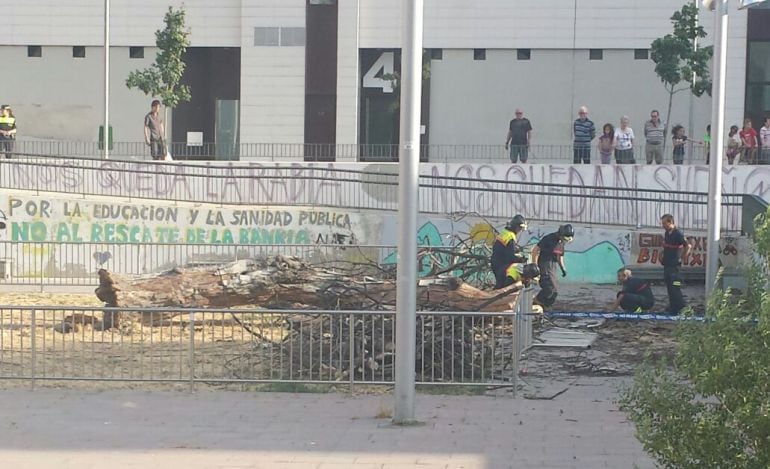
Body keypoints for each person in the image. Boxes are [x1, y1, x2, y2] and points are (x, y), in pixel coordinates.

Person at [530, 224, 573, 308]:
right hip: (544, 264)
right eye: (564, 239)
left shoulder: (561, 242)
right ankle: (533, 304)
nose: (565, 241)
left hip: (553, 266)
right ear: (560, 234)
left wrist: (563, 268)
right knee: (549, 289)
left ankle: (544, 307)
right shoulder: (549, 239)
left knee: (554, 293)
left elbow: (559, 256)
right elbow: (535, 250)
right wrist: (535, 266)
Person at [660, 214, 691, 314]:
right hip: (667, 265)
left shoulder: (678, 233)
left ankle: (682, 308)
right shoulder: (667, 233)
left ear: (670, 222)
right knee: (669, 286)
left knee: (675, 287)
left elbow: (688, 246)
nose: (663, 225)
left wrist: (682, 258)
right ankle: (673, 306)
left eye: (664, 223)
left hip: (674, 266)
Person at [491, 215, 529, 289]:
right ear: (515, 226)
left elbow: (502, 248)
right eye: (519, 228)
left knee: (499, 284)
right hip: (502, 264)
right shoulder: (511, 237)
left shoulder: (505, 232)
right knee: (502, 287)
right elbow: (511, 256)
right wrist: (521, 259)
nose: (520, 230)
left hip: (495, 262)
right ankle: (494, 299)